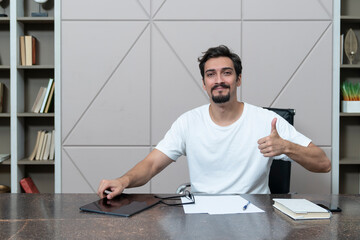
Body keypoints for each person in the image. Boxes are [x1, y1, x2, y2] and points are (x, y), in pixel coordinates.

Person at [98, 45, 331, 199]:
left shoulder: (266, 121)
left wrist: (287, 147)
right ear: (204, 83)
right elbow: (151, 165)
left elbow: (323, 164)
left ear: (238, 79)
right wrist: (123, 180)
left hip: (254, 217)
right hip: (201, 218)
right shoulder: (188, 122)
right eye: (211, 74)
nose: (219, 80)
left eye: (226, 73)